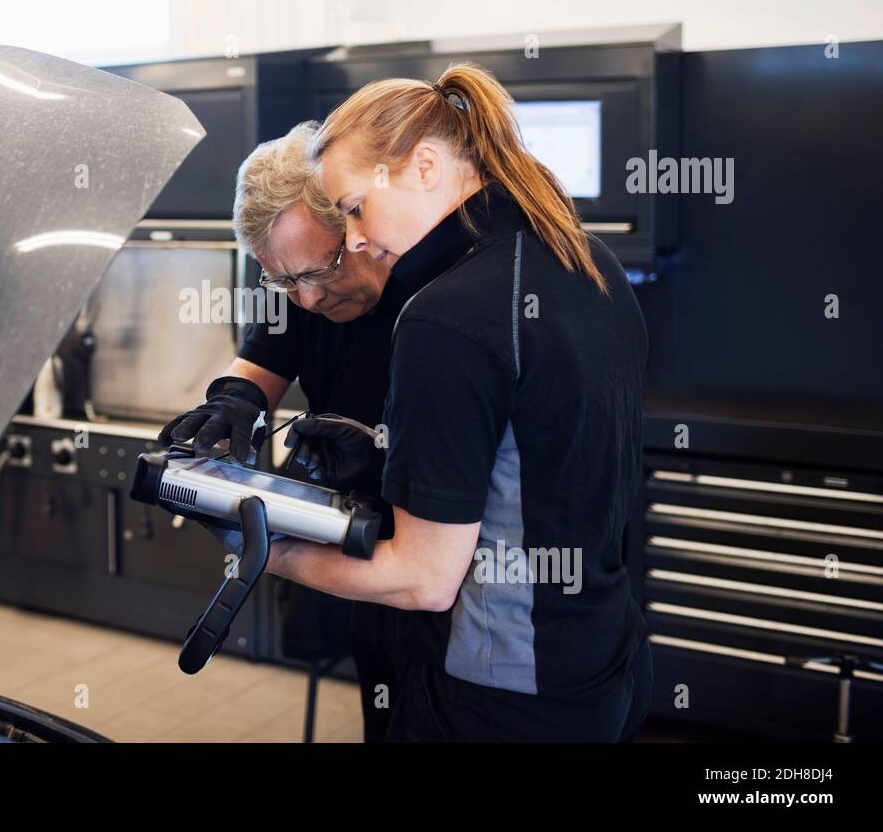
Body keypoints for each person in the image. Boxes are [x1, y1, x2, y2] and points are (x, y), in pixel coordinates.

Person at [267, 62, 652, 742]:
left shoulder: (443, 317)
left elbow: (422, 581)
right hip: (602, 659)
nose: (353, 237)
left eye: (354, 205)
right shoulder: (587, 257)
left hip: (498, 692)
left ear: (423, 166)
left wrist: (270, 550)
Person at [158, 121, 408, 741]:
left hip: (441, 532)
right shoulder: (299, 285)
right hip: (354, 526)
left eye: (314, 273)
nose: (304, 302)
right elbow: (258, 367)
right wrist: (232, 405)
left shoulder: (433, 298)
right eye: (281, 280)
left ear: (357, 225)